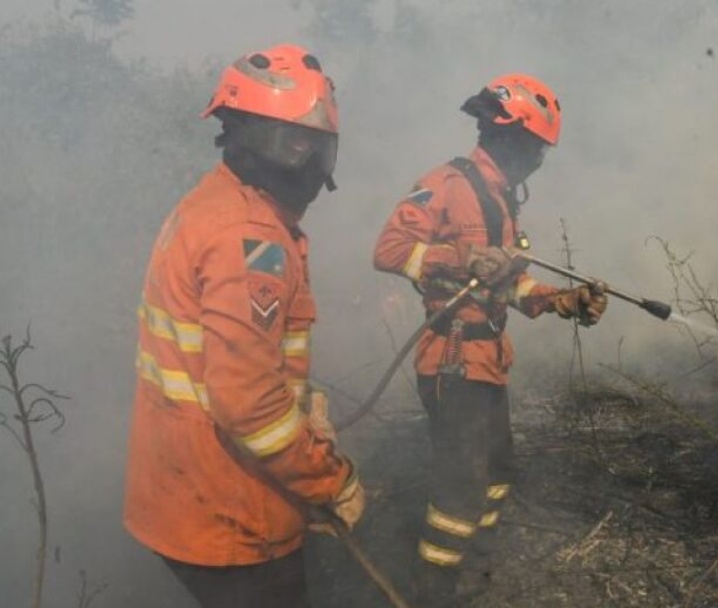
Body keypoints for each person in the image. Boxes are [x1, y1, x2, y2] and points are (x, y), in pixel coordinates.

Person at [123, 44, 363, 608]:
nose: (302, 159)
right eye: (288, 141)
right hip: (230, 512)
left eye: (309, 142)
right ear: (240, 135)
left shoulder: (214, 203)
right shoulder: (247, 238)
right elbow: (248, 404)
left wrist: (302, 417)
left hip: (191, 492)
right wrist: (331, 480)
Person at [373, 73, 608, 605]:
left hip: (485, 360)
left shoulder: (501, 202)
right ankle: (431, 593)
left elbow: (508, 282)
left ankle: (474, 575)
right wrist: (458, 258)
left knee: (498, 474)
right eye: (534, 148)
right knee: (460, 494)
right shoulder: (449, 184)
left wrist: (562, 300)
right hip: (453, 360)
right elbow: (388, 251)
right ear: (505, 135)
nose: (539, 161)